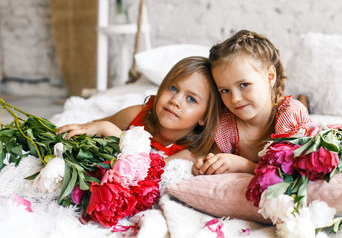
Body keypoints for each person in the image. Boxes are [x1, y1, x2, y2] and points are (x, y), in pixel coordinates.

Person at [193, 30, 317, 175]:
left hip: (291, 113)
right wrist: (206, 164)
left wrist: (245, 165)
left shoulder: (289, 115)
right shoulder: (226, 124)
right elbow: (216, 158)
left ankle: (303, 100)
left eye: (244, 85)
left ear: (270, 76)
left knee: (300, 108)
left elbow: (291, 171)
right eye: (225, 90)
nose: (235, 99)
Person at [57, 57, 221, 162]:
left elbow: (148, 167)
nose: (175, 100)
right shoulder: (136, 115)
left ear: (204, 117)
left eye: (191, 99)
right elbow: (90, 127)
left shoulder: (189, 154)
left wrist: (111, 131)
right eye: (172, 88)